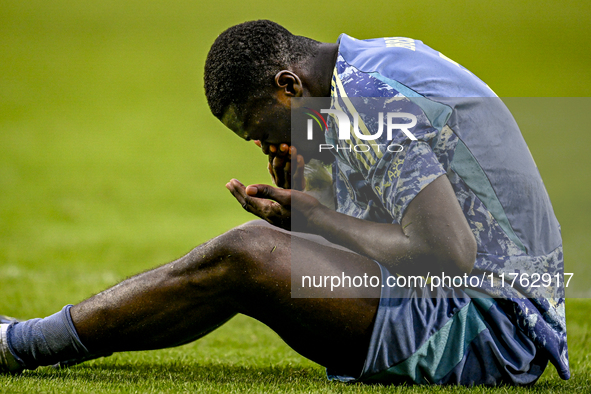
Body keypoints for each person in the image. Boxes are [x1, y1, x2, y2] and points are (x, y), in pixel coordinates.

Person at [0, 20, 569, 386]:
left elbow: (447, 254)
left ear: (288, 86)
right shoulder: (368, 65)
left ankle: (23, 343)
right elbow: (417, 228)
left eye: (263, 128)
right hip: (507, 307)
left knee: (246, 255)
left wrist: (319, 218)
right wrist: (313, 209)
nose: (269, 146)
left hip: (494, 331)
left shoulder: (367, 104)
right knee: (258, 257)